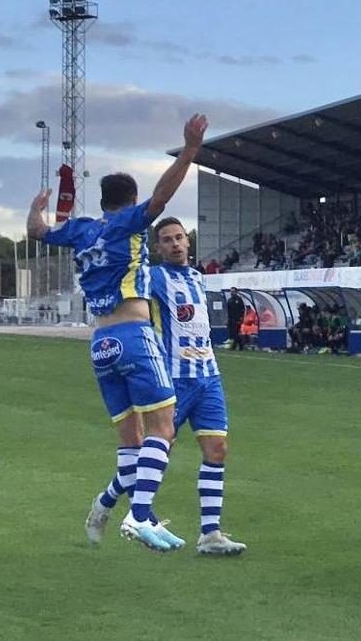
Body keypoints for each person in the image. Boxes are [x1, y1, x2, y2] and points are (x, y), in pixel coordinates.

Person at [32, 113, 207, 552]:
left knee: (131, 442)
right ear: (128, 200)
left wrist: (37, 206)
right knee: (163, 429)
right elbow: (163, 195)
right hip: (133, 333)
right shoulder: (128, 223)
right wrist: (190, 150)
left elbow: (36, 231)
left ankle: (106, 504)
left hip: (100, 344)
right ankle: (140, 516)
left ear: (102, 197)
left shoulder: (81, 231)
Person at [147, 217, 247, 555]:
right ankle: (138, 515)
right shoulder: (154, 278)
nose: (174, 244)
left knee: (217, 450)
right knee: (159, 451)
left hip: (209, 378)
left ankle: (210, 535)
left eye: (179, 238)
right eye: (166, 240)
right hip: (174, 379)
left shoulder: (197, 278)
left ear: (188, 242)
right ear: (157, 247)